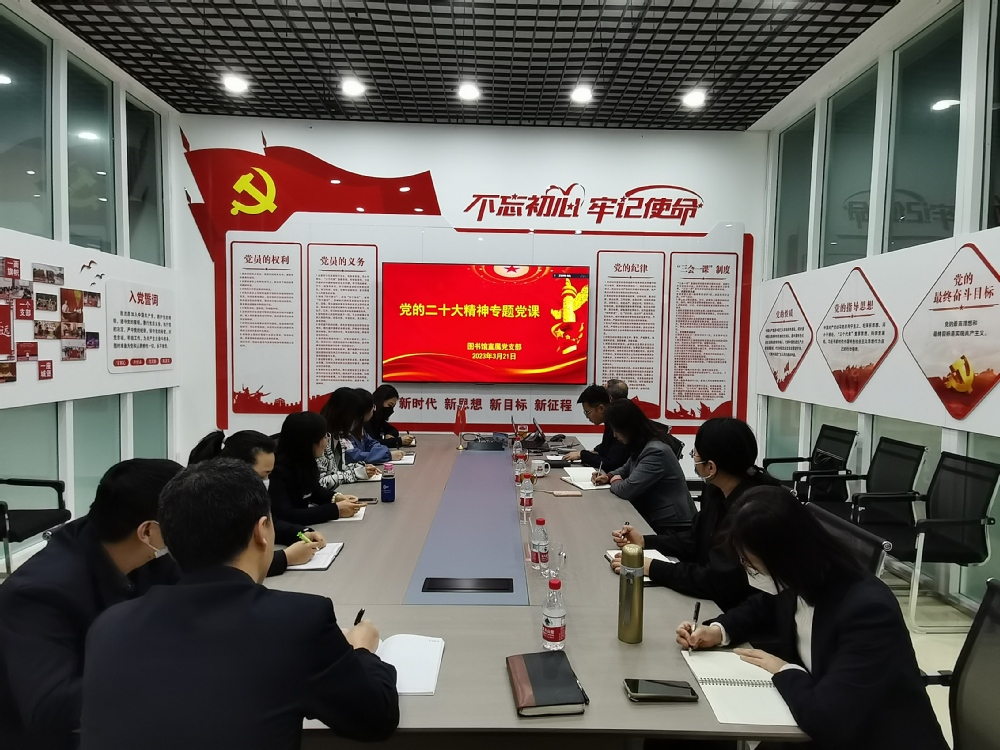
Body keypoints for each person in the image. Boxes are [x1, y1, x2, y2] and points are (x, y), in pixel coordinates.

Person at [79, 459, 399, 750]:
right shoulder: (299, 621)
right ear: (262, 531)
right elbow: (376, 719)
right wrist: (361, 651)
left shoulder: (110, 625)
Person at [676, 487, 949, 750]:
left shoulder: (868, 612)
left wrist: (785, 671)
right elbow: (762, 606)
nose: (750, 573)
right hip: (816, 728)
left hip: (869, 738)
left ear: (783, 557)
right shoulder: (800, 578)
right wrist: (718, 630)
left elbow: (827, 721)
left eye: (751, 564)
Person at [0, 459, 183, 750]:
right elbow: (51, 709)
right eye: (185, 523)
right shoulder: (37, 595)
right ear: (147, 531)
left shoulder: (147, 556)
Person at [610, 418, 780, 611]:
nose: (693, 458)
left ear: (711, 467)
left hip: (739, 610)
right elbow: (694, 539)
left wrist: (651, 567)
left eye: (695, 454)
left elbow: (718, 580)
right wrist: (645, 541)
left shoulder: (752, 512)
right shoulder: (716, 491)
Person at [189, 429, 326, 575]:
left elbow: (270, 523)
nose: (266, 482)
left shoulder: (243, 497)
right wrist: (286, 558)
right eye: (263, 475)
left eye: (269, 474)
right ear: (238, 469)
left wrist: (301, 533)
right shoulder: (208, 504)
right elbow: (226, 566)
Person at [593, 399, 694, 533]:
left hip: (674, 524)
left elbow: (627, 490)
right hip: (657, 516)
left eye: (616, 430)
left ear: (628, 428)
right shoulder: (642, 444)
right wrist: (608, 476)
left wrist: (615, 481)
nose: (615, 435)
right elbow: (626, 468)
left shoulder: (655, 451)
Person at [268, 412, 364, 525]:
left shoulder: (304, 461)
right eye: (323, 437)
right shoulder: (276, 472)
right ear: (308, 442)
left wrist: (336, 497)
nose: (326, 441)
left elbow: (313, 491)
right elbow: (286, 515)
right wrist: (336, 510)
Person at [318, 388, 379, 488]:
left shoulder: (338, 436)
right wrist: (356, 474)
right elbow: (321, 483)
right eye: (356, 416)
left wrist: (361, 468)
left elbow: (339, 468)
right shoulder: (320, 438)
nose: (358, 421)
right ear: (345, 414)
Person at [563, 384, 630, 473]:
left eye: (587, 412)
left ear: (601, 408)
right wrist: (590, 452)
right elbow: (606, 447)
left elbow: (611, 464)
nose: (587, 417)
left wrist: (584, 455)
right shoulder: (610, 420)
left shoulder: (619, 423)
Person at [346, 388, 403, 465]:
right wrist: (387, 455)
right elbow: (354, 456)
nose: (374, 410)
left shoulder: (359, 428)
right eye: (372, 407)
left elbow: (372, 443)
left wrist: (383, 452)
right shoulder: (344, 430)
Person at [367, 384, 415, 448]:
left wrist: (389, 435)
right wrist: (399, 441)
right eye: (389, 405)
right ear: (380, 401)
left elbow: (393, 430)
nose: (391, 410)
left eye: (393, 407)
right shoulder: (366, 419)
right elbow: (371, 443)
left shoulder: (378, 419)